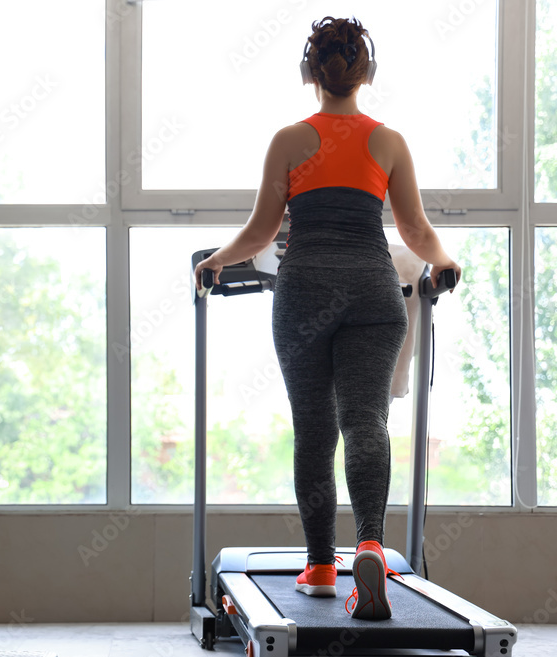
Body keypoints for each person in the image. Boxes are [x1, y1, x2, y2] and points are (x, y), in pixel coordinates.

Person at [194, 16, 462, 621]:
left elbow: (262, 231)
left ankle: (319, 565)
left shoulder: (289, 140)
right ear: (366, 73)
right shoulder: (388, 141)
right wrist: (444, 261)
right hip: (374, 290)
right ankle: (370, 545)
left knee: (315, 429)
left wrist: (213, 262)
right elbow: (415, 231)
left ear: (310, 73)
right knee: (366, 419)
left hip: (307, 292)